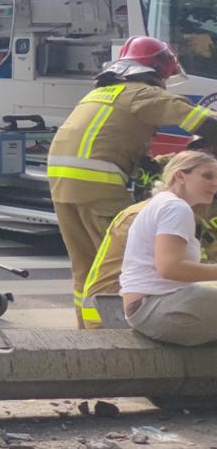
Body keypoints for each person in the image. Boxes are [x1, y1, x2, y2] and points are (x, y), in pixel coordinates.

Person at [49, 36, 217, 320]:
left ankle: (85, 332)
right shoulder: (142, 93)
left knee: (87, 265)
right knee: (123, 262)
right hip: (98, 186)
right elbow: (203, 122)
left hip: (61, 184)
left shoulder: (102, 93)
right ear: (157, 71)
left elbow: (112, 143)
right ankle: (119, 336)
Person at [77, 187, 217, 327]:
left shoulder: (173, 209)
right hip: (114, 314)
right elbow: (173, 269)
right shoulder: (166, 213)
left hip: (137, 307)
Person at [120, 149, 217, 345]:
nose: (215, 184)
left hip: (148, 308)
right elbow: (170, 267)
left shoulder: (163, 203)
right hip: (158, 309)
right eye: (207, 176)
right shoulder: (176, 208)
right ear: (180, 176)